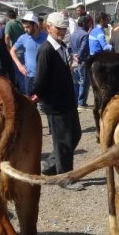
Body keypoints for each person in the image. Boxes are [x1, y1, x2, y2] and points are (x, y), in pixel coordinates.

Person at [32, 12, 84, 191]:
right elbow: (40, 78)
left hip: (67, 100)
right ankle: (65, 177)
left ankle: (52, 164)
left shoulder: (61, 46)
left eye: (63, 28)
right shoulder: (46, 50)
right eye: (58, 28)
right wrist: (35, 95)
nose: (61, 31)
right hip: (55, 104)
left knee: (75, 134)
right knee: (63, 141)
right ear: (48, 27)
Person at [9, 12, 47, 95]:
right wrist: (19, 65)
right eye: (24, 27)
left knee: (44, 101)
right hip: (29, 76)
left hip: (44, 76)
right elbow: (12, 51)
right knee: (30, 101)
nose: (25, 29)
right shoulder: (23, 38)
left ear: (36, 25)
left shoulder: (47, 38)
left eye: (28, 27)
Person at [69, 15, 93, 110]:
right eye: (89, 23)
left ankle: (76, 101)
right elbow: (83, 48)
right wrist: (78, 56)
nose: (90, 25)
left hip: (74, 60)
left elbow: (69, 47)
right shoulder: (85, 35)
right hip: (82, 60)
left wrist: (73, 55)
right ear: (84, 24)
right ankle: (81, 103)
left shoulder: (73, 33)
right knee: (84, 81)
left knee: (76, 82)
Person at [5, 9, 25, 89]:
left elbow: (7, 37)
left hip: (16, 51)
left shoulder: (9, 24)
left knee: (19, 72)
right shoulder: (20, 23)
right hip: (24, 50)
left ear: (8, 16)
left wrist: (8, 47)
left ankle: (23, 91)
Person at [0, 15, 15, 82]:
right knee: (10, 70)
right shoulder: (8, 27)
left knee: (3, 70)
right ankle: (13, 83)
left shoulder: (1, 29)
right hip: (9, 51)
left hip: (3, 52)